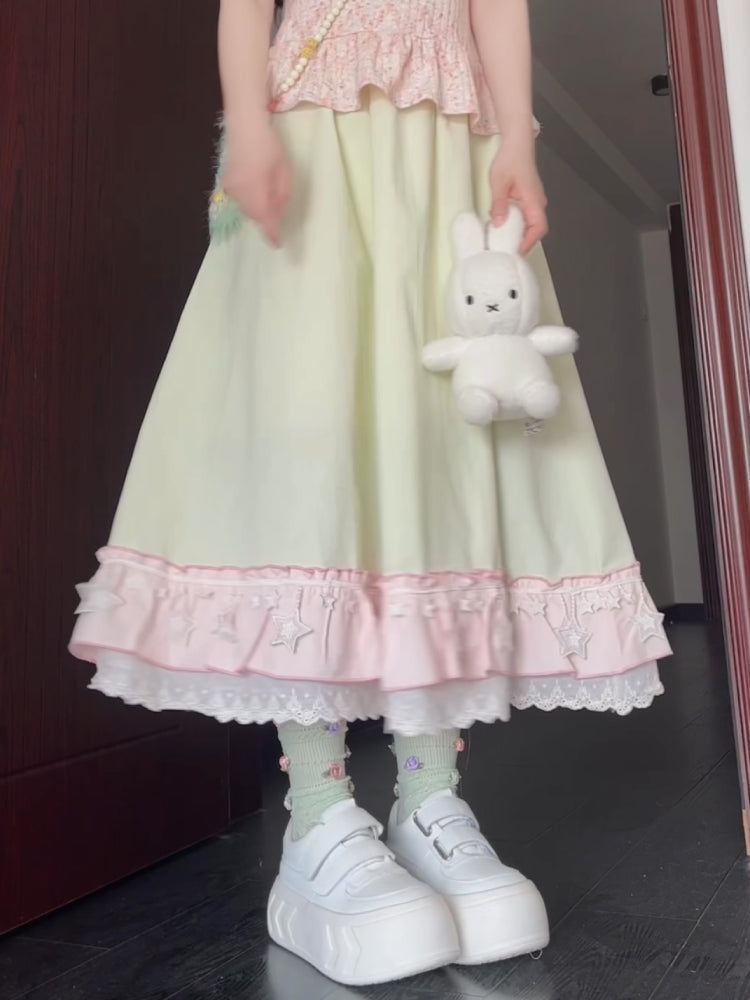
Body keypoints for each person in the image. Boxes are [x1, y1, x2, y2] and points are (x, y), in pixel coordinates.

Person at [70, 0, 672, 986]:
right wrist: (249, 126)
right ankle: (318, 815)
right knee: (315, 439)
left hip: (449, 150)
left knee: (440, 447)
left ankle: (430, 797)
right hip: (317, 130)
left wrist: (518, 140)